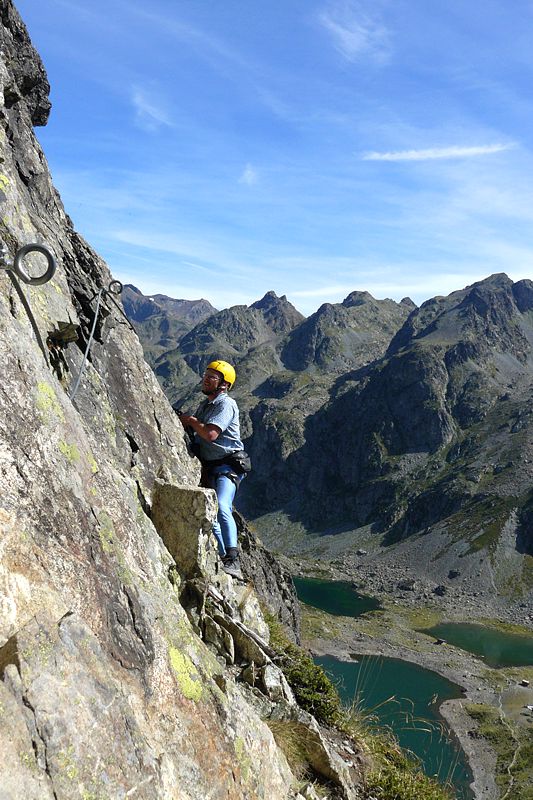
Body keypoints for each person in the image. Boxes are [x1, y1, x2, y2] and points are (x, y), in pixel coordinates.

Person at [177, 360, 245, 578]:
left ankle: (233, 560)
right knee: (212, 516)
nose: (206, 379)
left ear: (224, 384)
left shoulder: (226, 405)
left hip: (228, 466)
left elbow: (211, 434)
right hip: (211, 465)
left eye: (212, 377)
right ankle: (224, 557)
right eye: (206, 375)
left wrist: (191, 421)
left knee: (223, 506)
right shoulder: (206, 405)